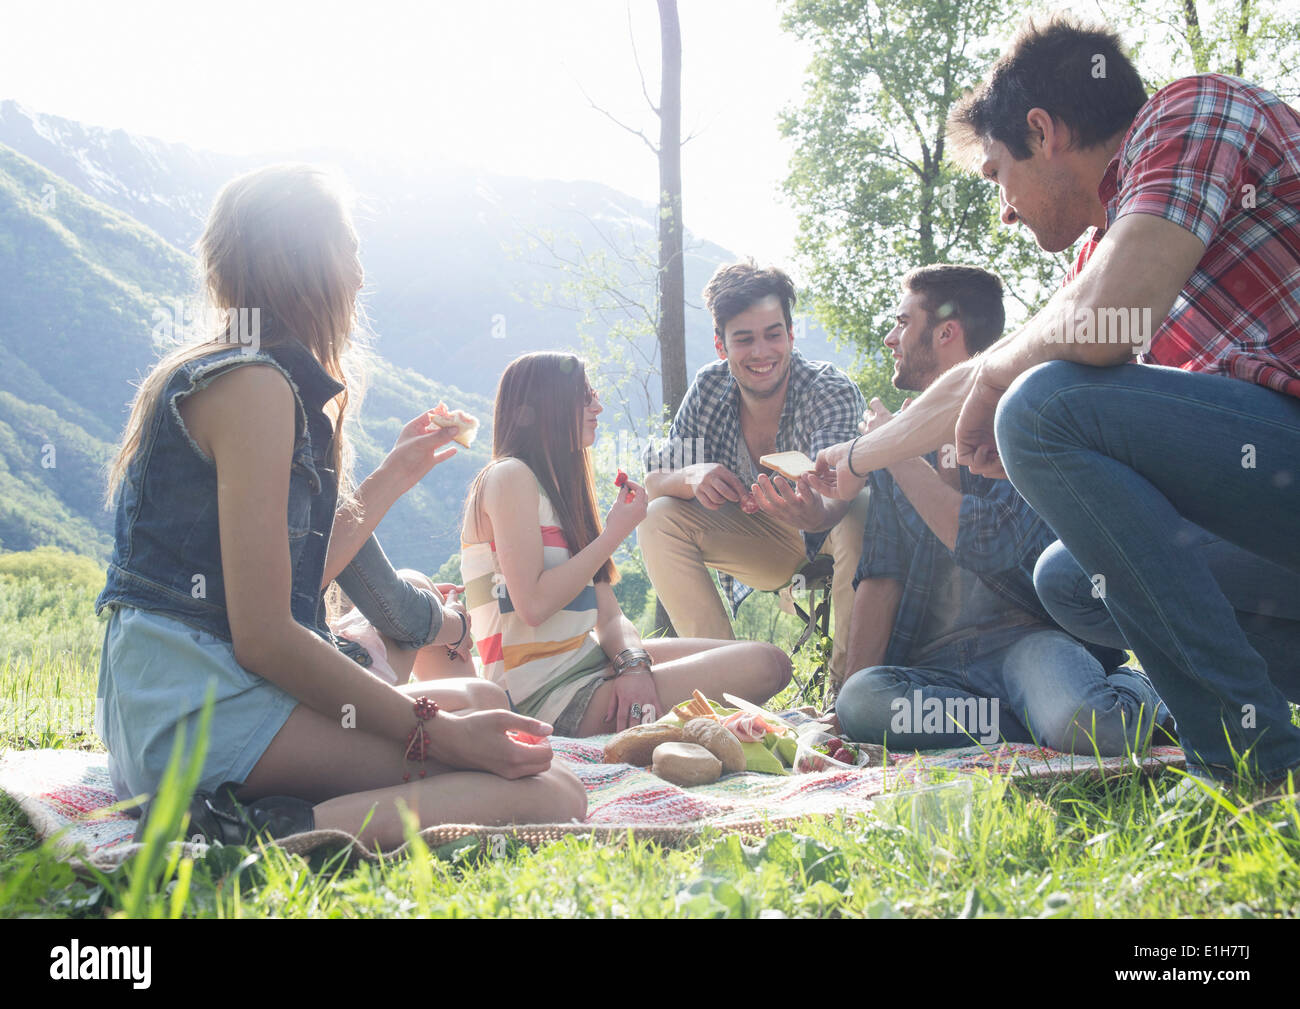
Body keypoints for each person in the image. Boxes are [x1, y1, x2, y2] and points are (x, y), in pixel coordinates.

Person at [813, 15, 1300, 787]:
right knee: (1070, 577)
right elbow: (1004, 367)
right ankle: (1253, 730)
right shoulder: (1100, 250)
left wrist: (1007, 392)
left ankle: (1254, 766)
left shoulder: (1195, 112)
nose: (1004, 210)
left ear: (1043, 132)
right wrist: (852, 458)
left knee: (1040, 407)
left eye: (999, 173)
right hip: (1271, 501)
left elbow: (1113, 320)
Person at [95, 164, 586, 851]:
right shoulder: (256, 386)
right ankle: (248, 837)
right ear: (310, 262)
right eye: (351, 252)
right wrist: (435, 734)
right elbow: (264, 636)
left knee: (487, 703)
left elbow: (293, 579)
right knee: (552, 791)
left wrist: (393, 472)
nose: (359, 277)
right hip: (200, 716)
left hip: (162, 705)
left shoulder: (224, 369)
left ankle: (263, 805)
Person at [831, 265, 1168, 754]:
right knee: (862, 702)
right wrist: (844, 707)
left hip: (1028, 642)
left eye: (903, 321)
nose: (890, 336)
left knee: (1092, 724)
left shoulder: (1021, 412)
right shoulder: (895, 448)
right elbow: (882, 575)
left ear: (946, 331)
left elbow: (993, 542)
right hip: (941, 669)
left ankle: (1143, 690)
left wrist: (897, 455)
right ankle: (1030, 729)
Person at [460, 351, 792, 737]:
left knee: (771, 660)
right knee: (764, 668)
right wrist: (613, 534)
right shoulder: (509, 475)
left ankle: (672, 722)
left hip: (588, 666)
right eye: (585, 397)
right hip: (544, 700)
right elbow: (532, 605)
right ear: (547, 404)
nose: (597, 406)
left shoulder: (562, 497)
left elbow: (610, 616)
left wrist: (634, 666)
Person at [638, 262, 870, 694]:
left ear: (790, 334)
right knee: (657, 515)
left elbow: (841, 485)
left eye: (773, 334)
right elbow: (654, 480)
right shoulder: (709, 387)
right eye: (744, 339)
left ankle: (847, 695)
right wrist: (691, 474)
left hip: (831, 529)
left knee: (861, 505)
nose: (762, 352)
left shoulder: (829, 388)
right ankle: (723, 689)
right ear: (721, 345)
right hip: (766, 546)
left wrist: (816, 513)